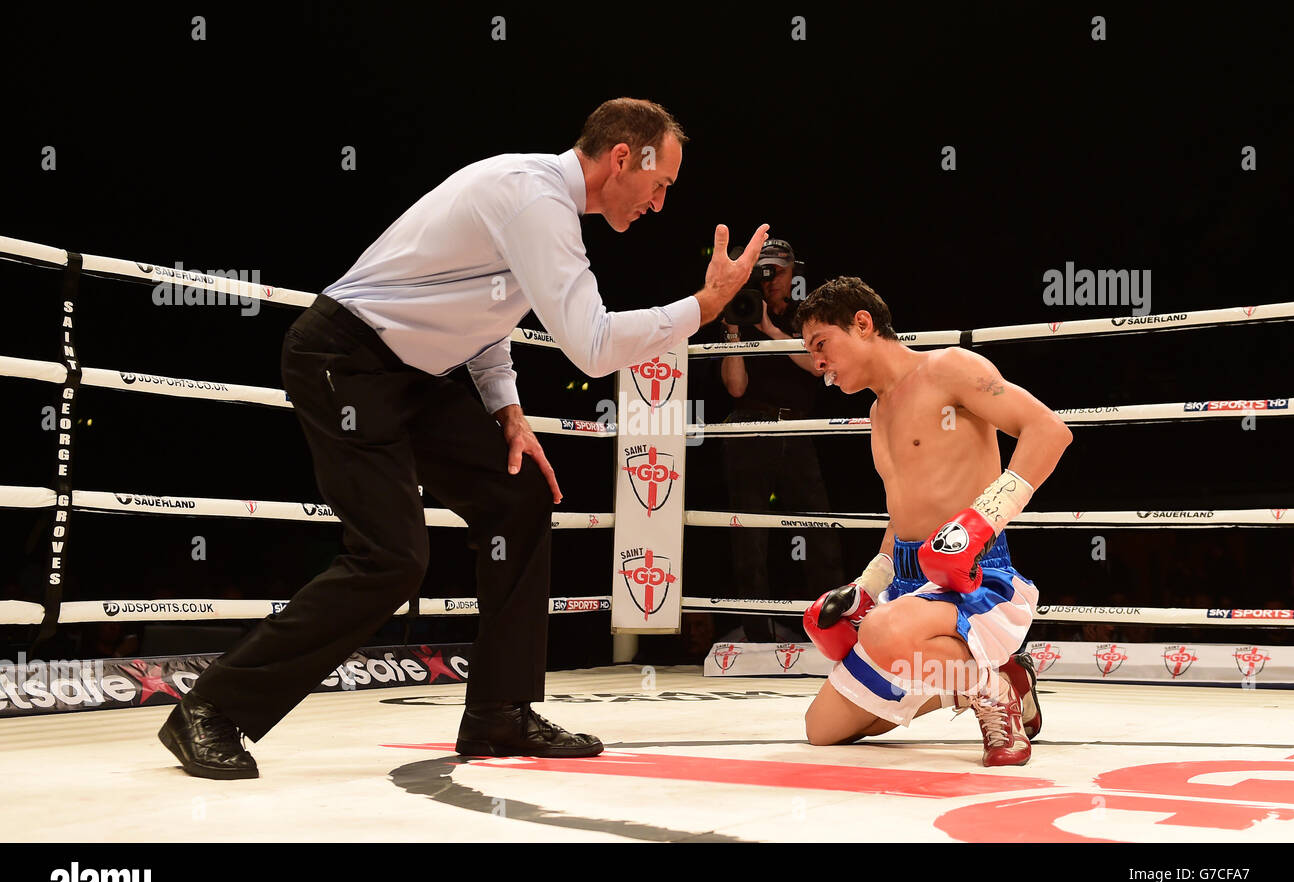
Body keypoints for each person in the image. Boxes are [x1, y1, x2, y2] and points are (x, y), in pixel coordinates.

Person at [158, 97, 769, 779]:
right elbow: (594, 347)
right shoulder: (534, 199)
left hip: (407, 374)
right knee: (392, 557)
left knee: (522, 496)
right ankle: (211, 710)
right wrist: (705, 306)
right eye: (661, 185)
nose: (659, 205)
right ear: (623, 158)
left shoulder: (543, 207)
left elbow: (487, 311)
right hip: (346, 361)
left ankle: (498, 712)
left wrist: (506, 410)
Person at [795, 277, 1072, 766]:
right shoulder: (879, 415)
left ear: (862, 324)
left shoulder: (949, 368)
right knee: (822, 729)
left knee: (881, 632)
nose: (819, 363)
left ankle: (993, 693)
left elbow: (1048, 431)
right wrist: (868, 583)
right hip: (906, 587)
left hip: (974, 578)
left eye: (822, 345)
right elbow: (902, 514)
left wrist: (982, 519)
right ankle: (990, 678)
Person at [719, 239, 844, 641]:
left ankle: (832, 631)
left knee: (818, 531)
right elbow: (735, 389)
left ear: (793, 273)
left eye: (777, 271)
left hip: (796, 428)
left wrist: (770, 330)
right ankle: (757, 636)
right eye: (763, 271)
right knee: (749, 537)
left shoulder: (807, 316)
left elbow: (816, 367)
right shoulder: (741, 310)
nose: (770, 280)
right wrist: (736, 334)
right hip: (748, 428)